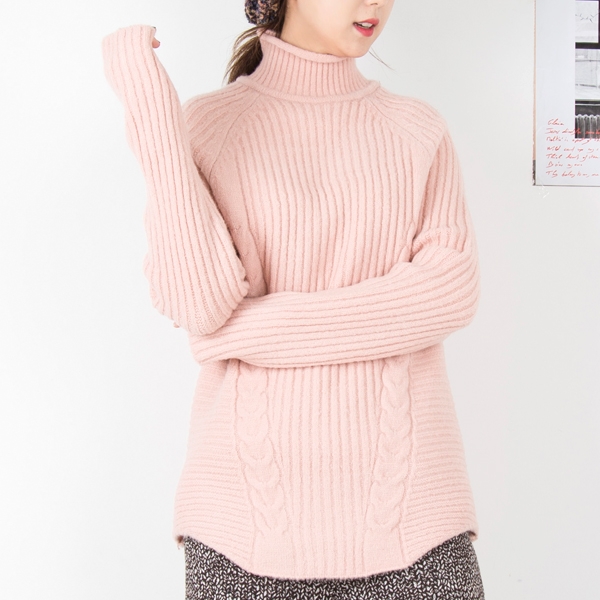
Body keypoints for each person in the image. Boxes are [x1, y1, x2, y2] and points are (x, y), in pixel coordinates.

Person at [102, 0, 485, 598]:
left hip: (417, 527)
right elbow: (199, 304)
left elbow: (450, 292)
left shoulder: (417, 129)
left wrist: (245, 331)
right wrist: (153, 116)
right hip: (241, 532)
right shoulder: (210, 126)